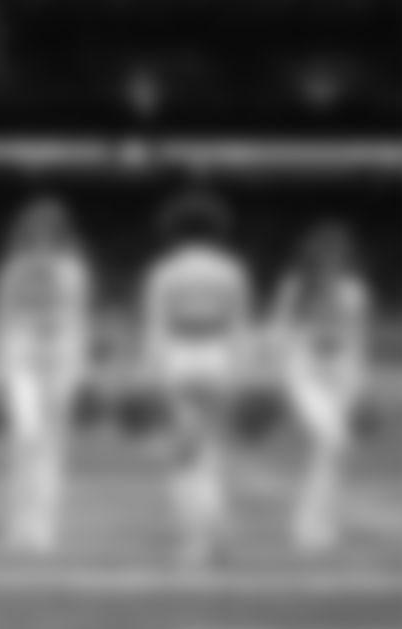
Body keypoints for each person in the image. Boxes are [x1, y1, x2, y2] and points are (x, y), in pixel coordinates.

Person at [140, 190, 256, 566]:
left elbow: (155, 327)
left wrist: (152, 376)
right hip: (219, 358)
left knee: (182, 456)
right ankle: (215, 531)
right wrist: (241, 373)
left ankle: (202, 537)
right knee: (209, 453)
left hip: (179, 358)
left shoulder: (165, 271)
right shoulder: (231, 270)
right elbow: (241, 326)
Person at [0, 198, 94, 553]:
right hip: (22, 364)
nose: (42, 239)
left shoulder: (72, 272)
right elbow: (2, 319)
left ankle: (44, 528)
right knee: (24, 442)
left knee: (51, 447)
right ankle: (19, 525)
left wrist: (76, 369)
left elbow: (77, 321)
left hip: (58, 365)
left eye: (49, 233)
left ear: (60, 236)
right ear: (25, 234)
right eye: (35, 232)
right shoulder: (13, 270)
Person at [272, 223, 372, 552]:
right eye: (326, 252)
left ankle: (321, 524)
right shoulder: (294, 288)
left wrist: (358, 384)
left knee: (333, 449)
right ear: (312, 255)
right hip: (305, 373)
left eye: (339, 253)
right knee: (332, 440)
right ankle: (307, 526)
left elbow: (357, 339)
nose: (333, 258)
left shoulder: (353, 291)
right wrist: (284, 365)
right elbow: (280, 331)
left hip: (341, 374)